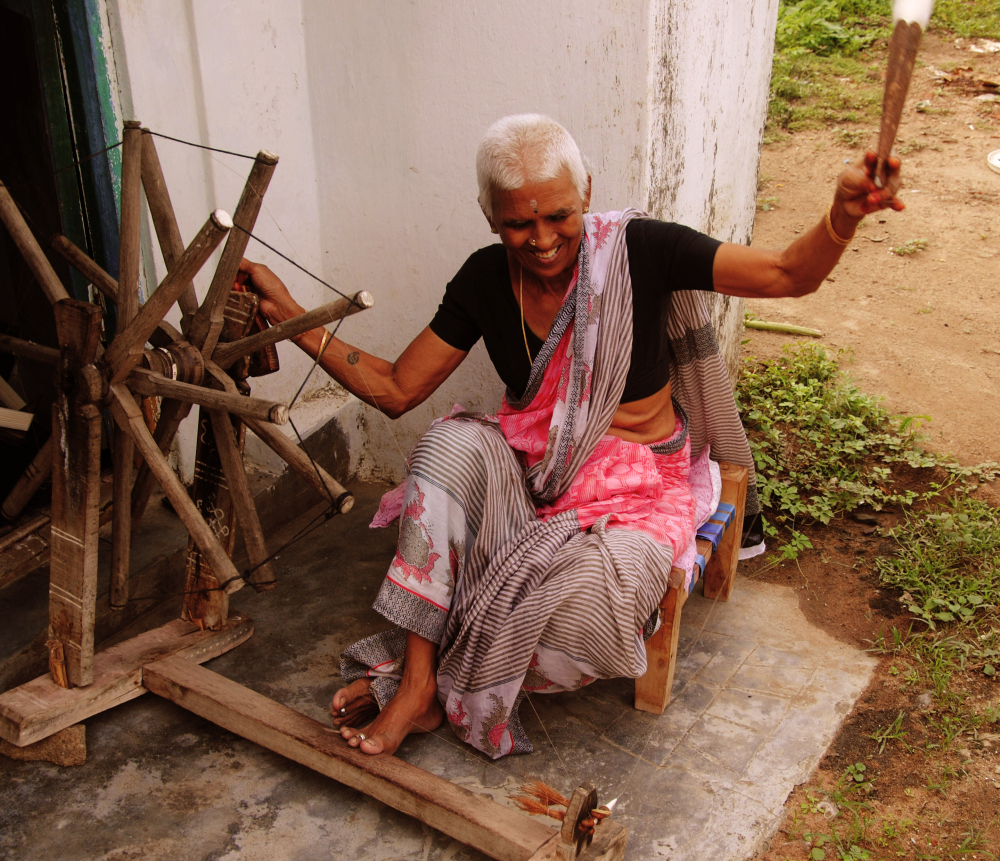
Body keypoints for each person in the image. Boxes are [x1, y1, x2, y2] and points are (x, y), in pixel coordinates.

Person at [239, 114, 902, 760]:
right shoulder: (483, 277)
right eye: (518, 223)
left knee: (580, 631)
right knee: (446, 446)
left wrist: (842, 214)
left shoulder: (641, 251)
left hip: (636, 498)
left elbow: (789, 274)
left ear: (587, 190)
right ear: (488, 214)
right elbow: (395, 388)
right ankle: (414, 688)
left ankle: (430, 674)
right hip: (536, 484)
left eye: (558, 215)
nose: (542, 238)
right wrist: (291, 313)